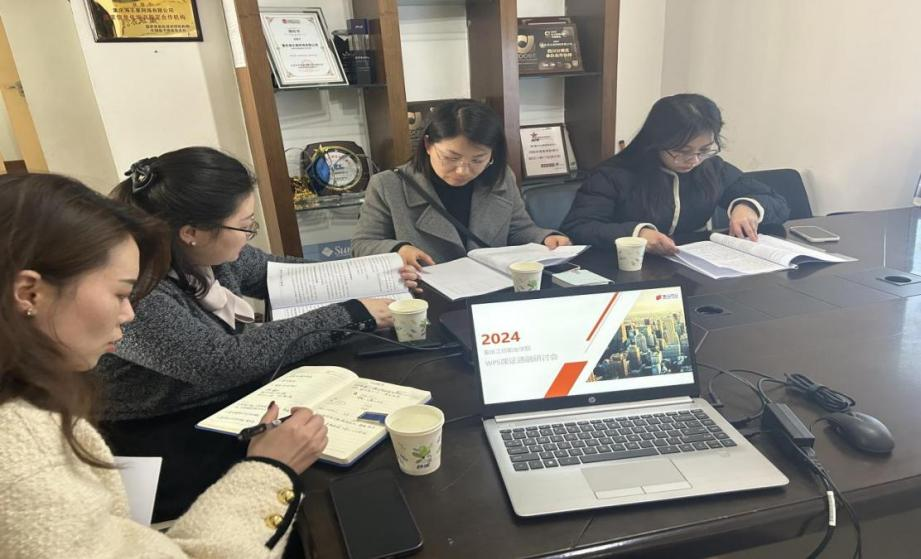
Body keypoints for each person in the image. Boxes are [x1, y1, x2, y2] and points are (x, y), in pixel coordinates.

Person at [0, 173, 327, 557]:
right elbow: (218, 361)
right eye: (120, 294)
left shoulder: (35, 399)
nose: (128, 314)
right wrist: (270, 469)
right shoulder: (20, 457)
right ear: (29, 293)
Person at [92, 147, 415, 521]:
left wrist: (381, 273)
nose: (249, 235)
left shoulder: (199, 253)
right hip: (164, 433)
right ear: (191, 232)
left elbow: (282, 274)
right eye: (245, 225)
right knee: (322, 485)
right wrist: (351, 314)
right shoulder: (139, 291)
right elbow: (223, 361)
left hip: (222, 403)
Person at [352, 99, 571, 268]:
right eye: (451, 157)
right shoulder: (388, 185)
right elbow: (363, 245)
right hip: (424, 296)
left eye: (478, 160)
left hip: (491, 290)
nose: (463, 170)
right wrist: (398, 249)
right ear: (428, 145)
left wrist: (545, 238)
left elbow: (519, 229)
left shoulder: (501, 177)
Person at [561, 93, 790, 255]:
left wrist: (748, 207)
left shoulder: (712, 168)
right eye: (682, 151)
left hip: (694, 267)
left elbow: (777, 202)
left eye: (704, 150)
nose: (694, 160)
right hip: (629, 269)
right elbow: (579, 227)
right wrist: (637, 234)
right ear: (656, 141)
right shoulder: (614, 174)